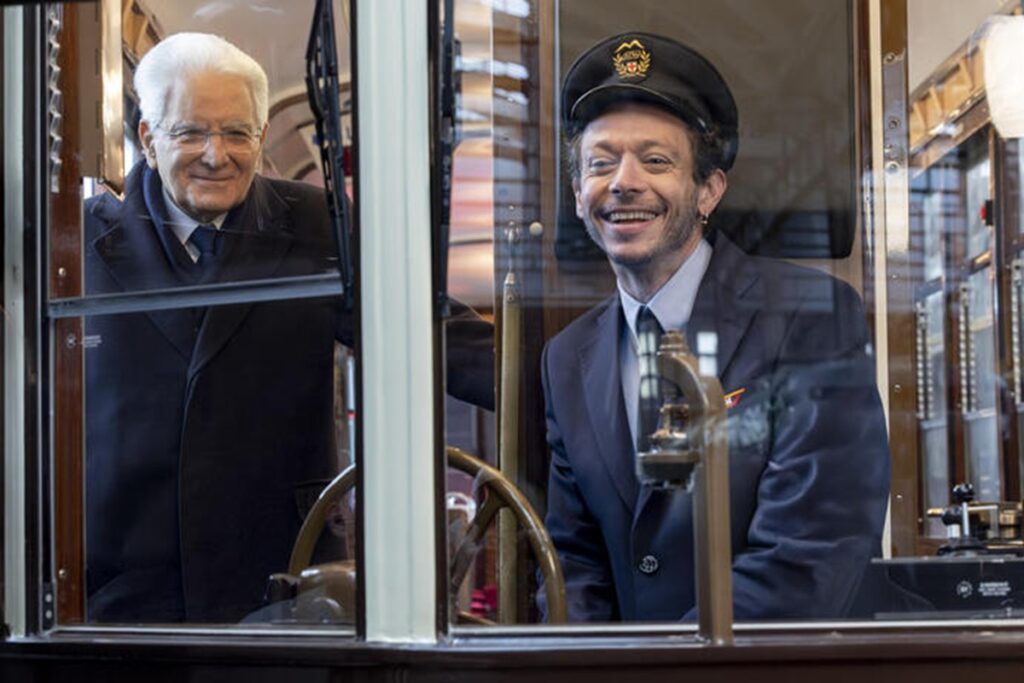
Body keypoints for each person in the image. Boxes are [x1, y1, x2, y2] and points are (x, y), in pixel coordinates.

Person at [83, 32, 493, 623]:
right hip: (123, 585)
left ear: (258, 135)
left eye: (236, 133)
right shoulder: (75, 246)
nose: (215, 154)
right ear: (148, 138)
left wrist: (569, 381)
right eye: (190, 132)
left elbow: (425, 329)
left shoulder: (314, 223)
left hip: (280, 574)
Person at [541, 32, 890, 622]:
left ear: (708, 190)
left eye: (656, 161)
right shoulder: (566, 357)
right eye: (600, 164)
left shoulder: (812, 316)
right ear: (578, 196)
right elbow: (575, 567)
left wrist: (667, 670)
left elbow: (808, 557)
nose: (623, 181)